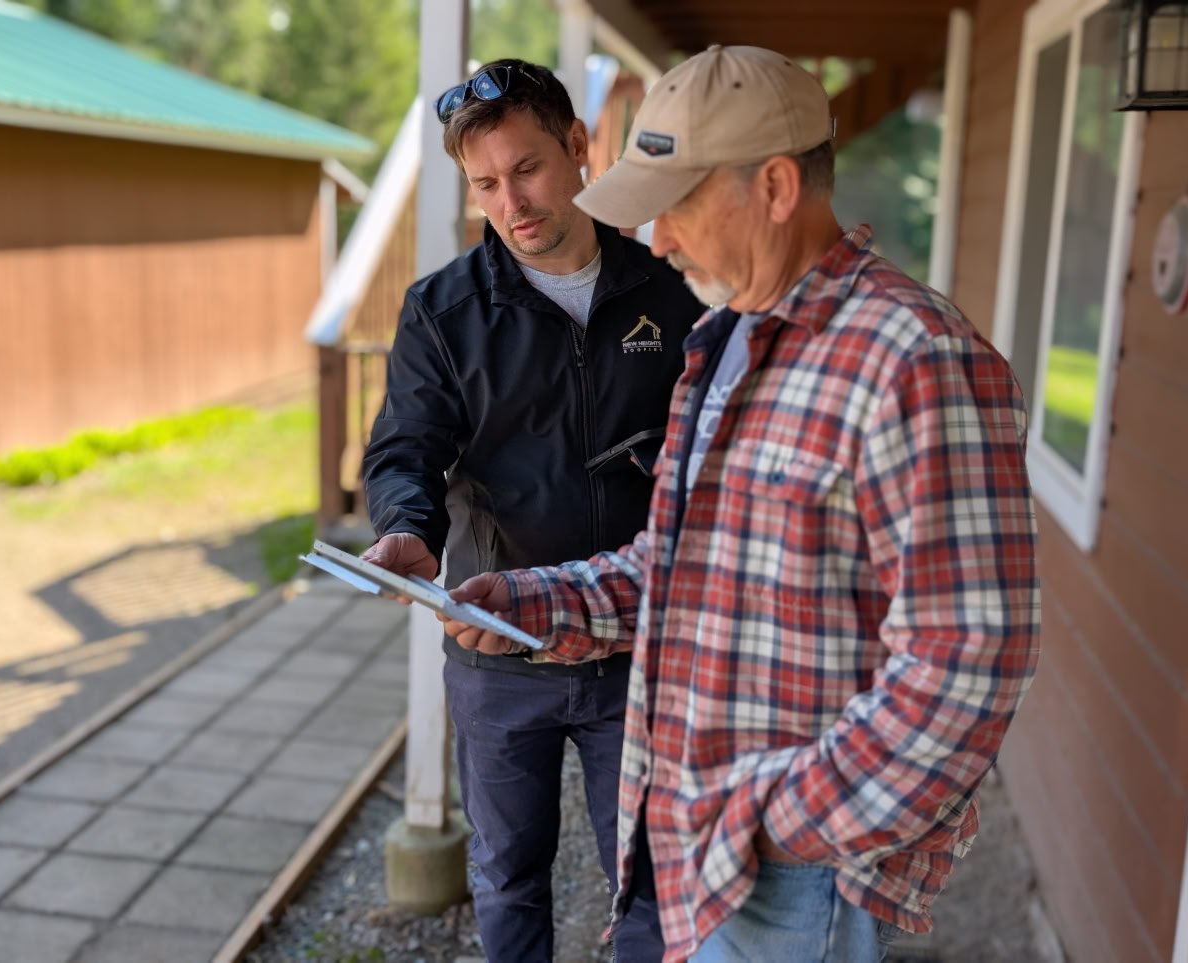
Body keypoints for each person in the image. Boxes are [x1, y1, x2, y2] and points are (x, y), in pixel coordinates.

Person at [440, 45, 1041, 963]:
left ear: (773, 187)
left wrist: (770, 822)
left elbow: (969, 661)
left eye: (677, 205)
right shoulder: (725, 343)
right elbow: (675, 570)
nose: (661, 240)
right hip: (707, 839)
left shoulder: (916, 360)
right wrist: (531, 600)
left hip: (801, 872)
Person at [360, 58, 702, 963]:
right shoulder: (441, 311)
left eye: (528, 168)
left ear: (579, 148)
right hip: (497, 645)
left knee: (651, 877)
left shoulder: (670, 291)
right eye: (485, 183)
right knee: (507, 873)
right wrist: (405, 528)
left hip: (638, 646)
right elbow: (407, 448)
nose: (511, 201)